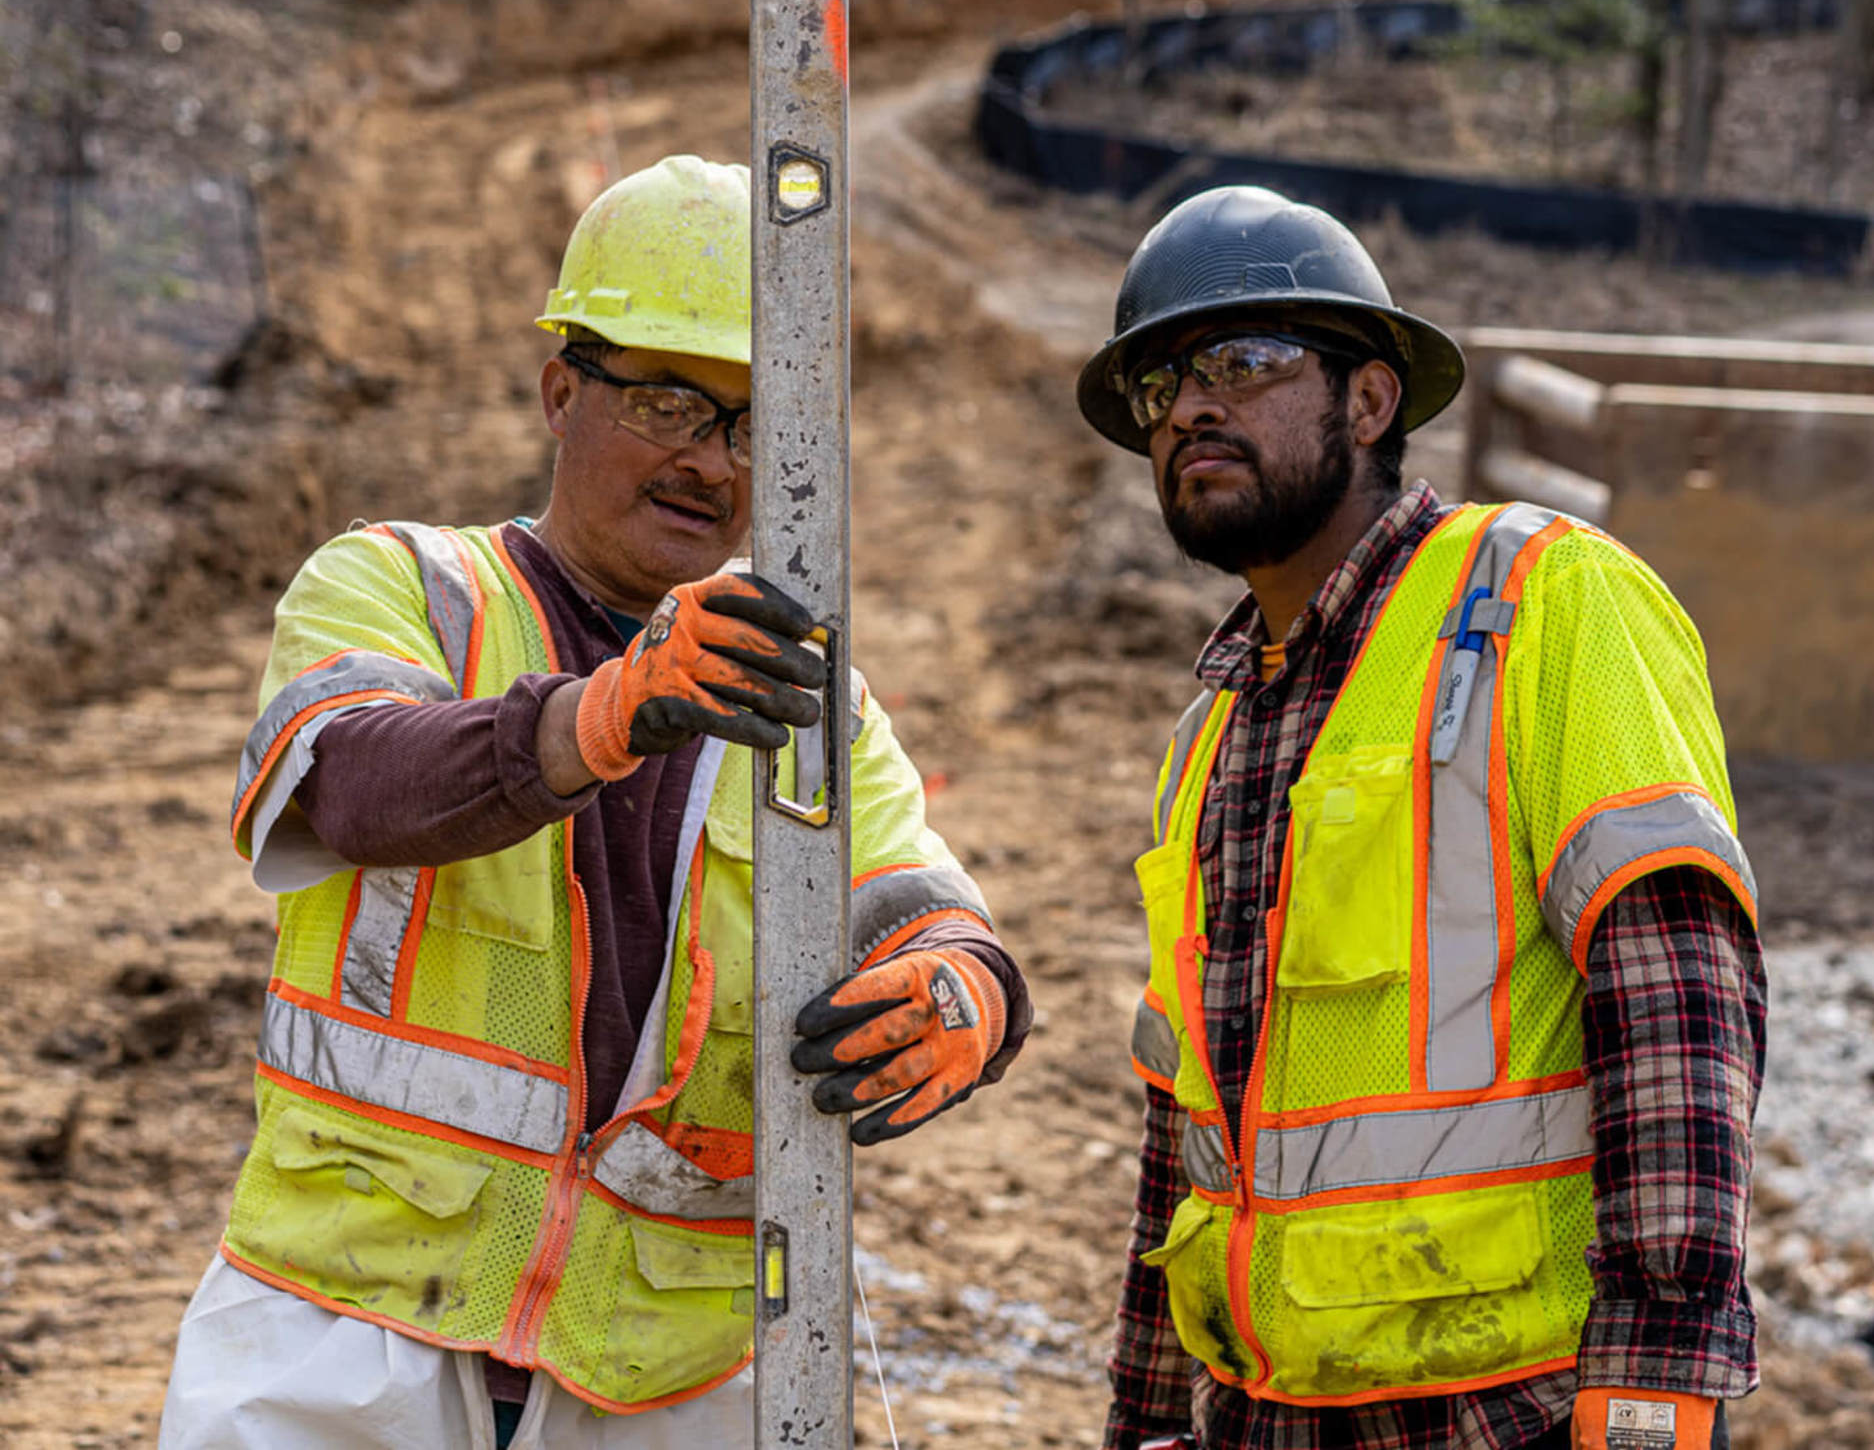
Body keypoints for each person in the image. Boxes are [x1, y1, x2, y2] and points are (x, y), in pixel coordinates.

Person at [159, 155, 1031, 1450]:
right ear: (561, 389)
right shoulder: (409, 587)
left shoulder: (810, 703)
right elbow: (346, 781)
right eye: (673, 402)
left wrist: (965, 988)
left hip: (662, 1372)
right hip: (352, 1332)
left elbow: (912, 895)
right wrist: (597, 716)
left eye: (753, 420)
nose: (711, 461)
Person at [1081, 186, 1762, 1450]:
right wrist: (1145, 1417)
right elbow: (1184, 1138)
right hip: (1262, 1418)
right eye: (1160, 384)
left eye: (1241, 359)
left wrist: (1656, 1395)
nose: (1188, 407)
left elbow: (1674, 990)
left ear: (1369, 399)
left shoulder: (1538, 598)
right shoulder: (1209, 739)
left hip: (1509, 1414)